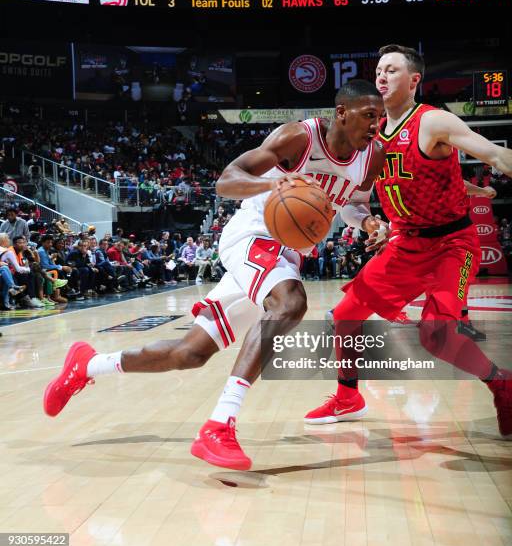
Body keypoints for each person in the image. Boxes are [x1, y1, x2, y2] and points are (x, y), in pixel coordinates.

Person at [43, 80, 387, 471]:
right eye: (368, 116)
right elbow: (227, 180)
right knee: (290, 303)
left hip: (286, 255)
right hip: (252, 237)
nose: (376, 124)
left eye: (380, 117)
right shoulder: (299, 138)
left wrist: (370, 223)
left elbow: (353, 206)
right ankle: (219, 426)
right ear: (341, 113)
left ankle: (87, 365)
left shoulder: (372, 156)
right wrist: (273, 183)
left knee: (188, 354)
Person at [305, 44, 512, 437]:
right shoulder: (368, 133)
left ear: (414, 80)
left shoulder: (433, 121)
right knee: (345, 315)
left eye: (392, 70)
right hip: (404, 243)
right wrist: (372, 225)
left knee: (438, 338)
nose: (381, 76)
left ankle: (501, 383)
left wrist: (476, 181)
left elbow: (494, 156)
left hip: (452, 243)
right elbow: (361, 199)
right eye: (379, 70)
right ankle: (348, 396)